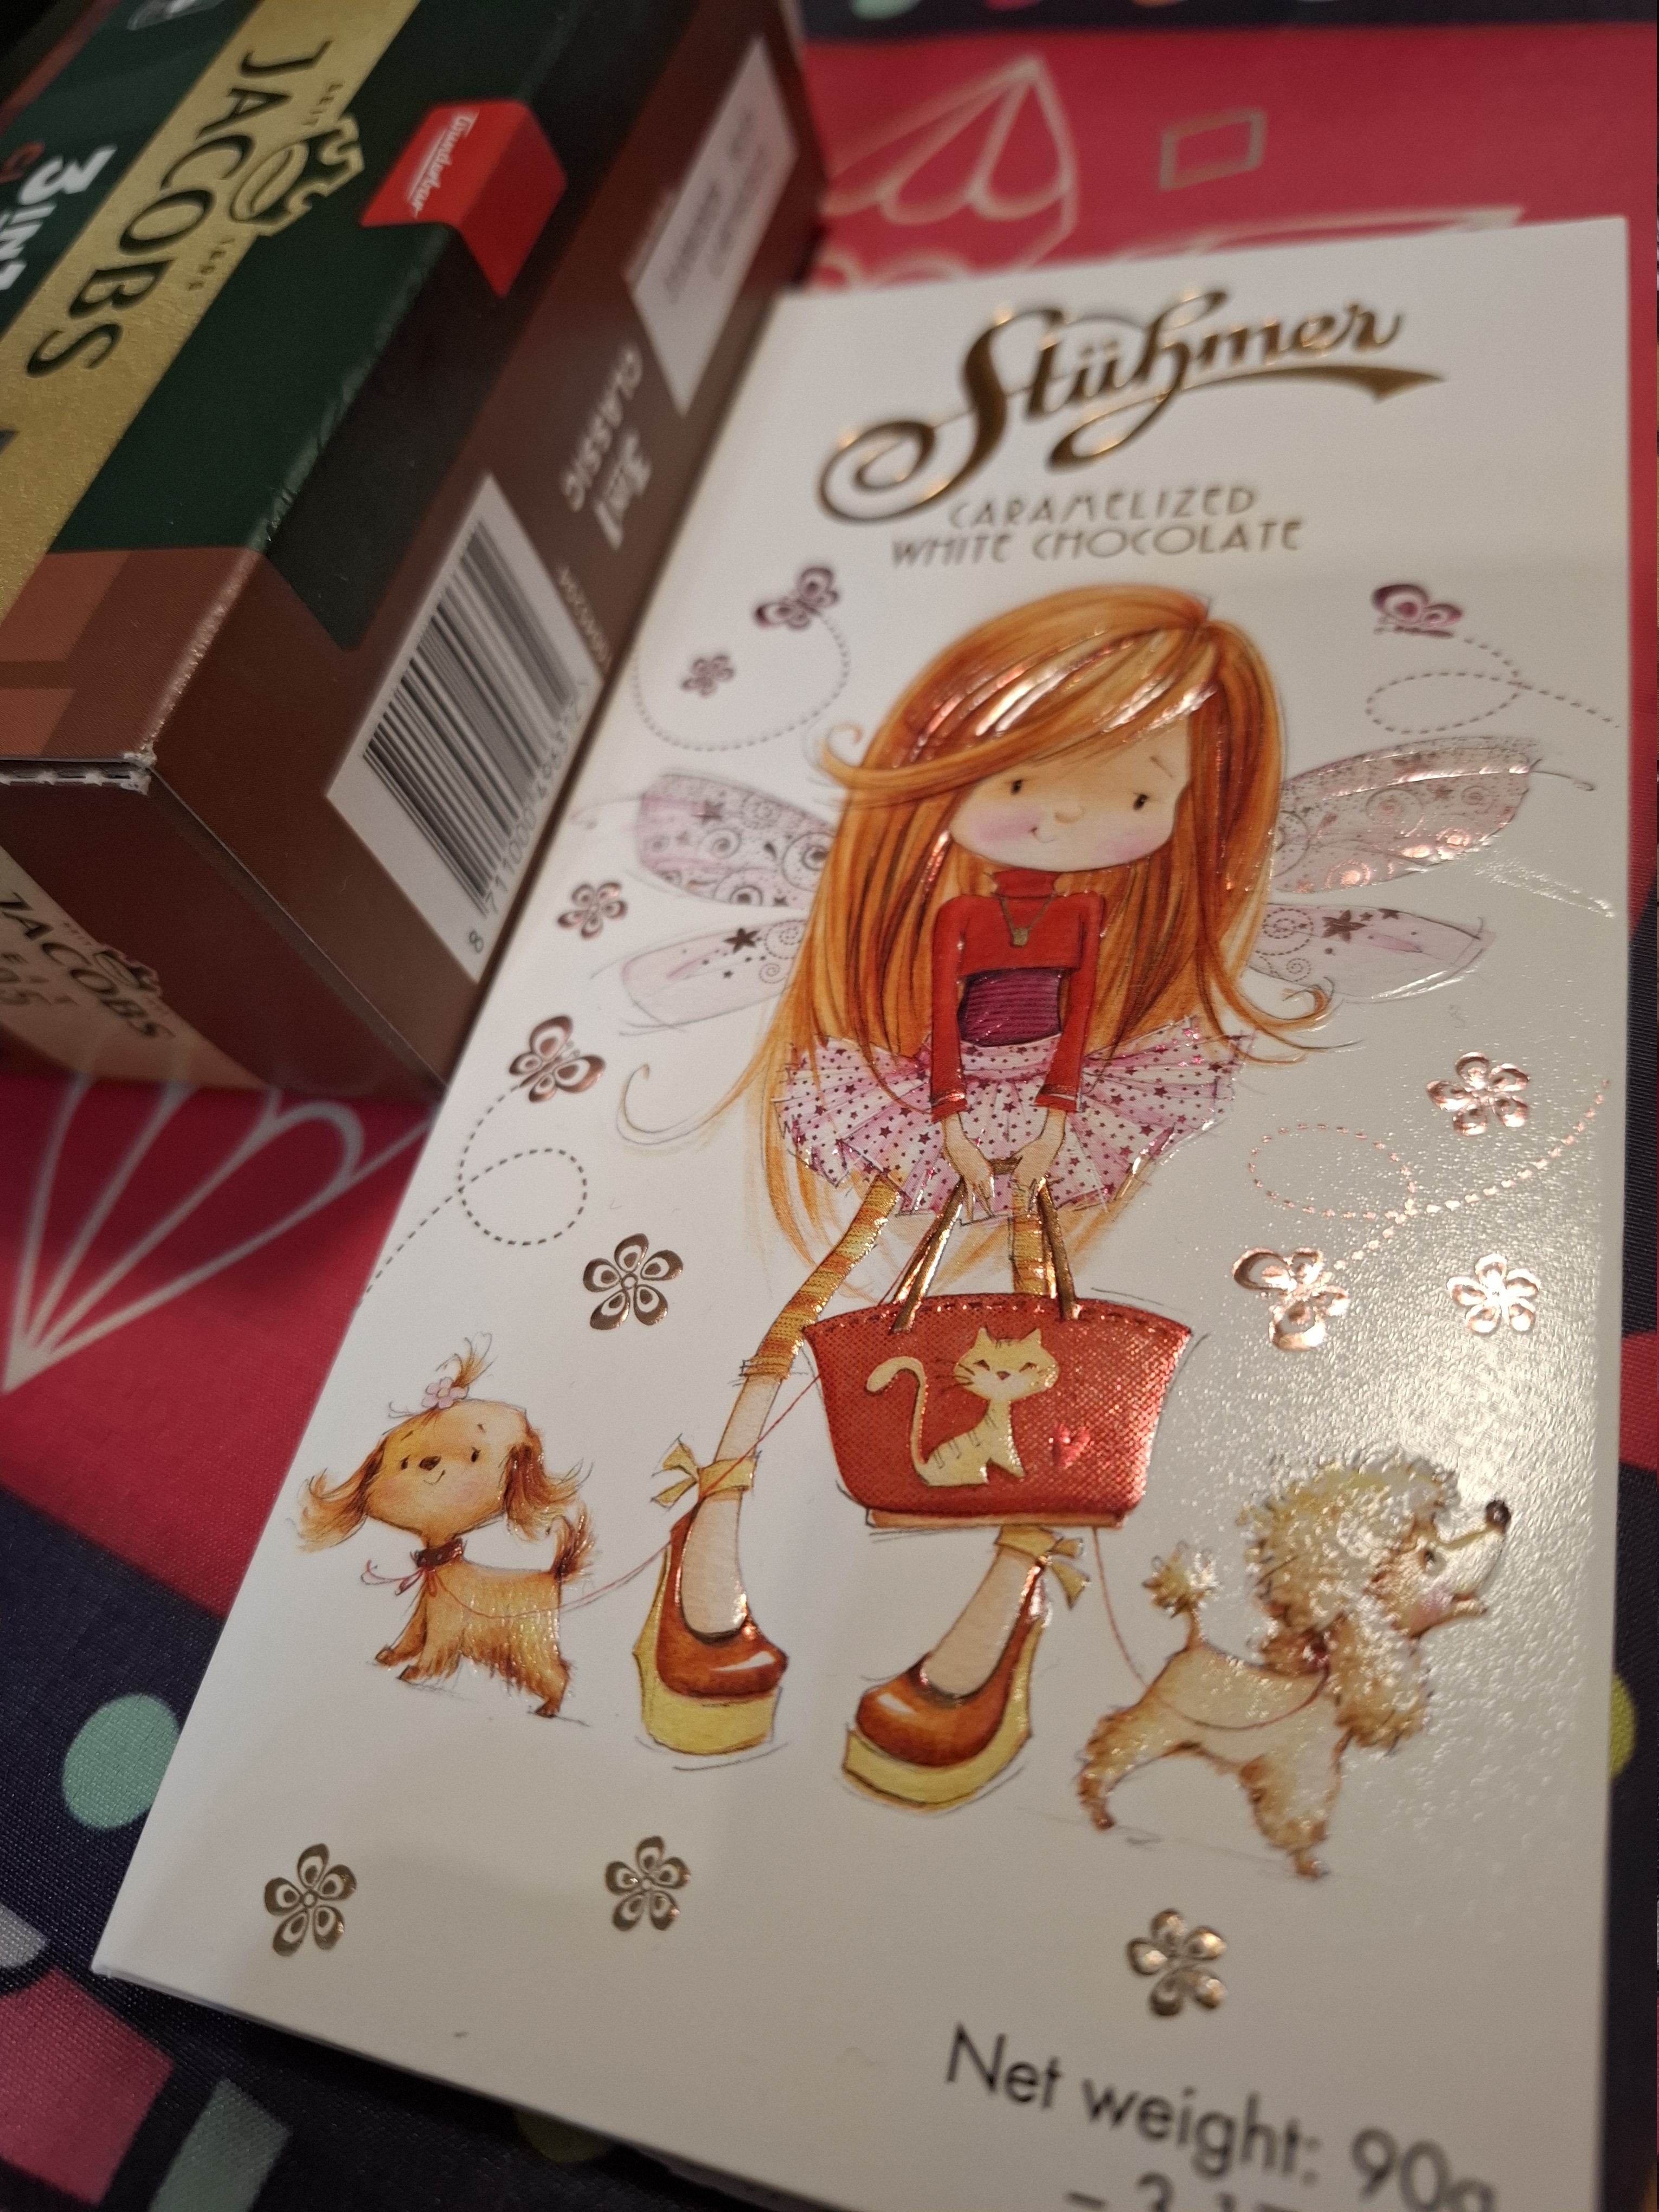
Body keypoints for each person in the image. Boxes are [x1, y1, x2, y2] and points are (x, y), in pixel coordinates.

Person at [633, 583, 1316, 1805]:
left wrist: (1053, 1118)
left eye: (1140, 796)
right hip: (925, 1093)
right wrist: (951, 1122)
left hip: (1060, 1101)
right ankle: (708, 1557)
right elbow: (946, 1034)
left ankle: (996, 1619)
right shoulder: (952, 920)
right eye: (1023, 779)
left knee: (1053, 1327)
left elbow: (1073, 1029)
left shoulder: (1092, 923)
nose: (1070, 817)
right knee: (829, 1285)